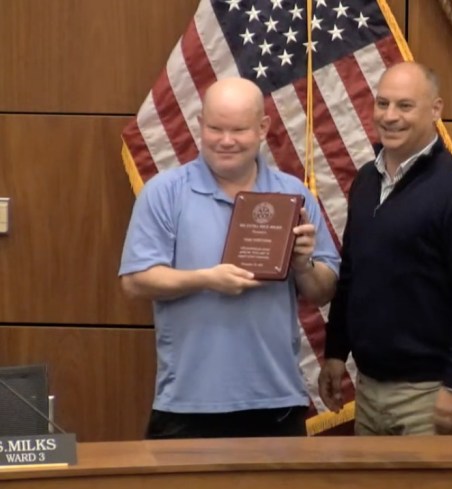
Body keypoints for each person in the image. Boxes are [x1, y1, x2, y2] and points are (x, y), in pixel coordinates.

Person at [119, 77, 340, 439]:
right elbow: (135, 281)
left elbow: (323, 291)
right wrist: (206, 279)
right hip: (189, 403)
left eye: (238, 129)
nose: (225, 140)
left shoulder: (293, 194)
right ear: (200, 125)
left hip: (277, 400)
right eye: (215, 128)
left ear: (263, 128)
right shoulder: (164, 193)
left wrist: (303, 264)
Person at [318, 62, 452, 436]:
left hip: (432, 394)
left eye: (404, 106)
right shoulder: (368, 180)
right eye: (382, 104)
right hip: (369, 392)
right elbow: (352, 272)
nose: (389, 116)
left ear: (435, 110)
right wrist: (336, 352)